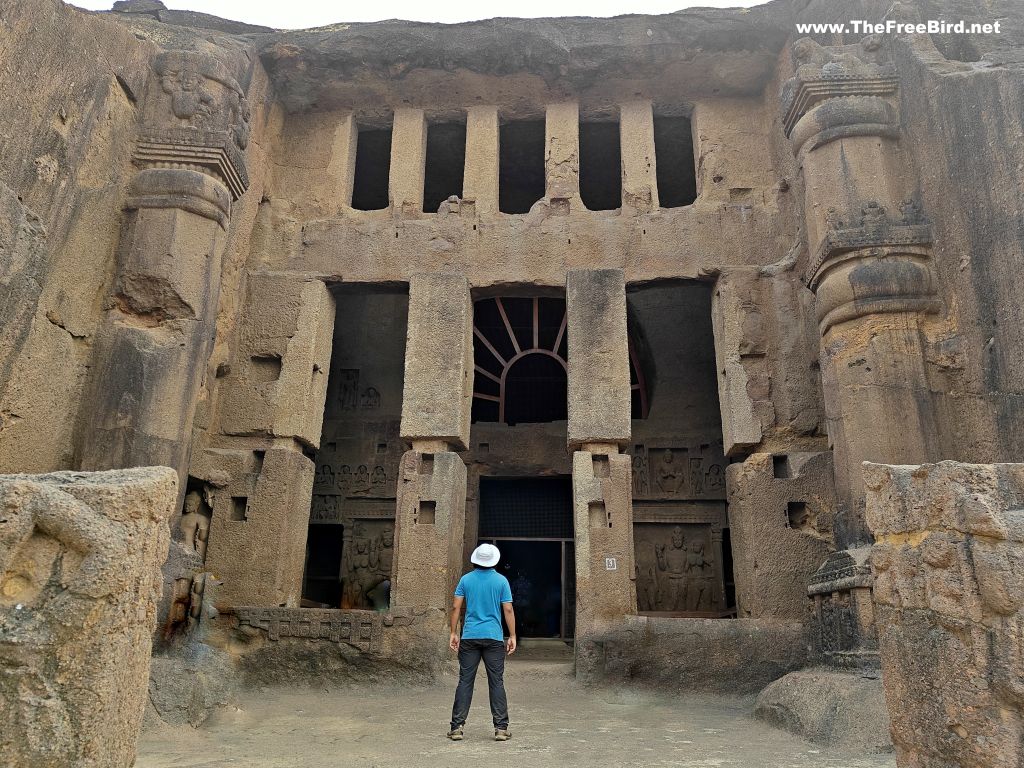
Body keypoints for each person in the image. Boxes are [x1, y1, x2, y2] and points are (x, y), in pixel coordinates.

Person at [448, 543, 517, 742]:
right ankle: (501, 729)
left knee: (465, 680)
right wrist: (512, 636)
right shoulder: (501, 581)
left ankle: (456, 728)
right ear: (494, 560)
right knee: (496, 681)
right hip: (494, 637)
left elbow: (455, 607)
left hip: (469, 636)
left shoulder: (465, 580)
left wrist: (454, 632)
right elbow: (508, 610)